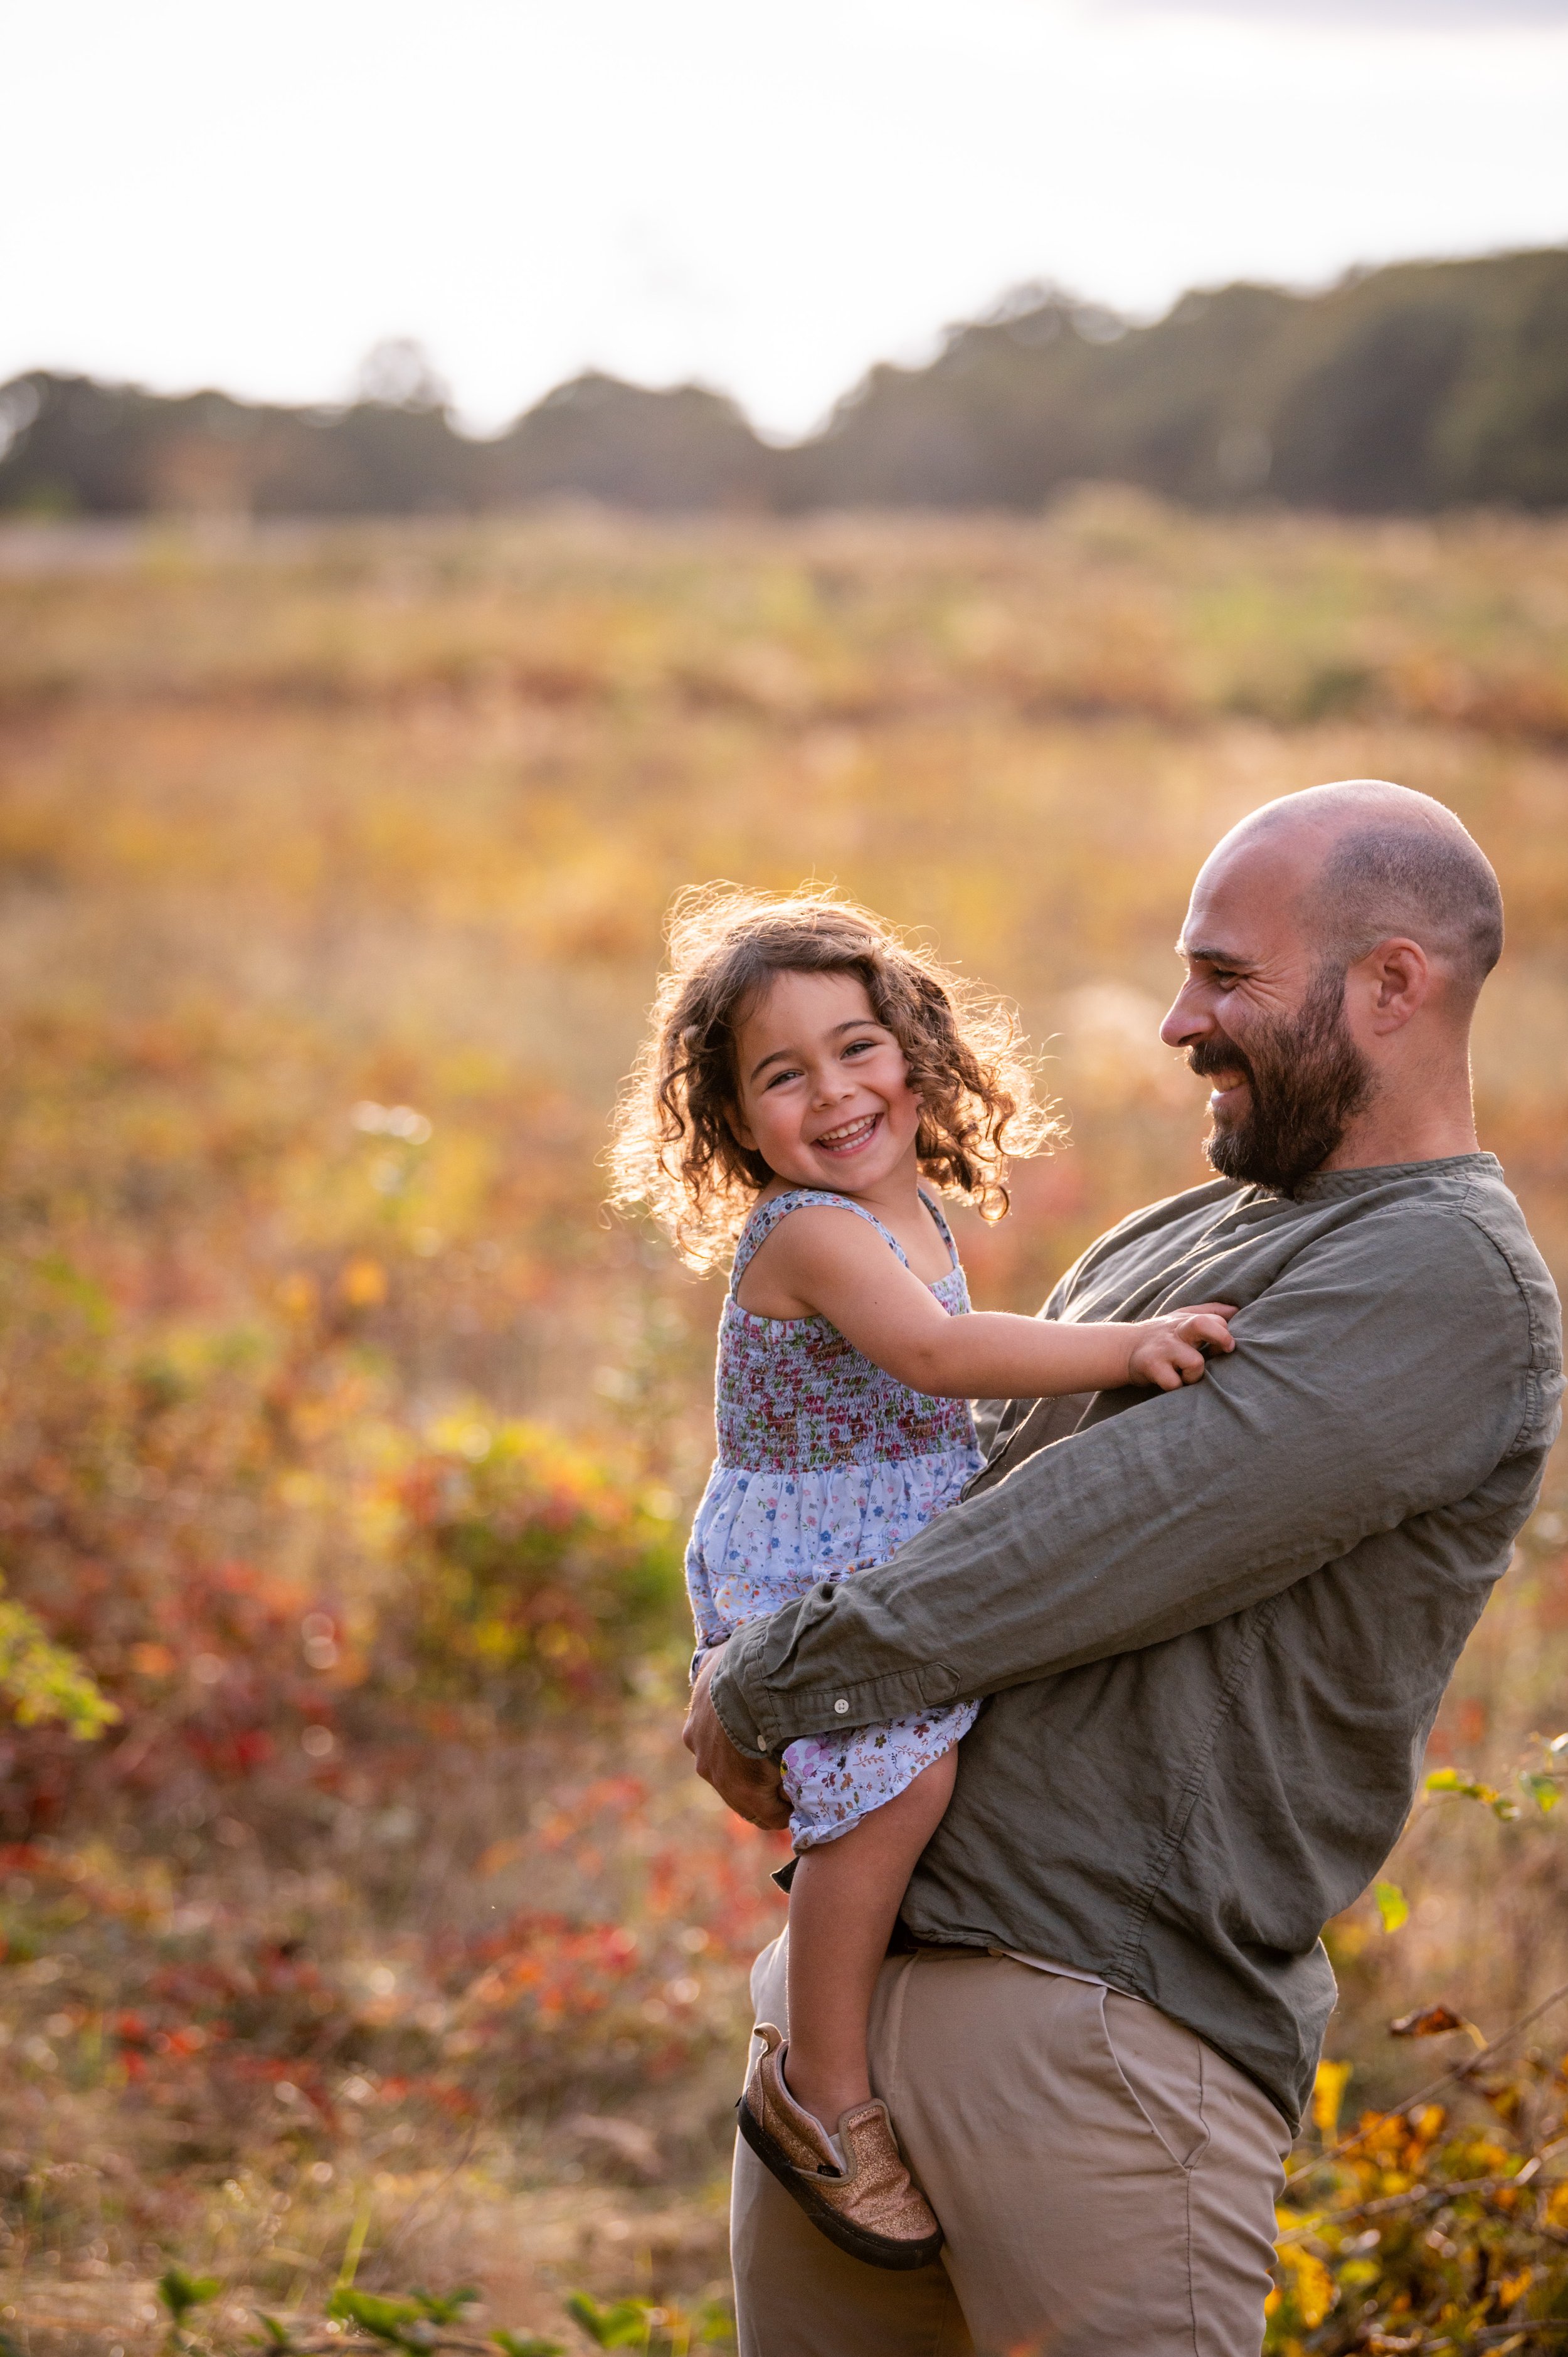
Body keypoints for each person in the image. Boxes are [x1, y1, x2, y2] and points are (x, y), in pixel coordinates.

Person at [684, 780, 1564, 2357]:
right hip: (853, 2026)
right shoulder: (1180, 1229)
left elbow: (1064, 1550)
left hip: (1088, 2035)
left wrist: (762, 1684)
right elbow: (947, 1502)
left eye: (1223, 975)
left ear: (1389, 984)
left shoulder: (1440, 1276)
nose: (1176, 1021)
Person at [609, 886, 1236, 2268]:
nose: (832, 1093)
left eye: (856, 1047)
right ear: (733, 1118)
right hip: (804, 1547)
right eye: (782, 1074)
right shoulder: (811, 1232)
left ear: (915, 1049)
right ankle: (819, 2088)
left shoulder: (903, 1208)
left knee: (928, 1759)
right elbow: (942, 1362)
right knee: (898, 1780)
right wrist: (1123, 1348)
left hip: (875, 1528)